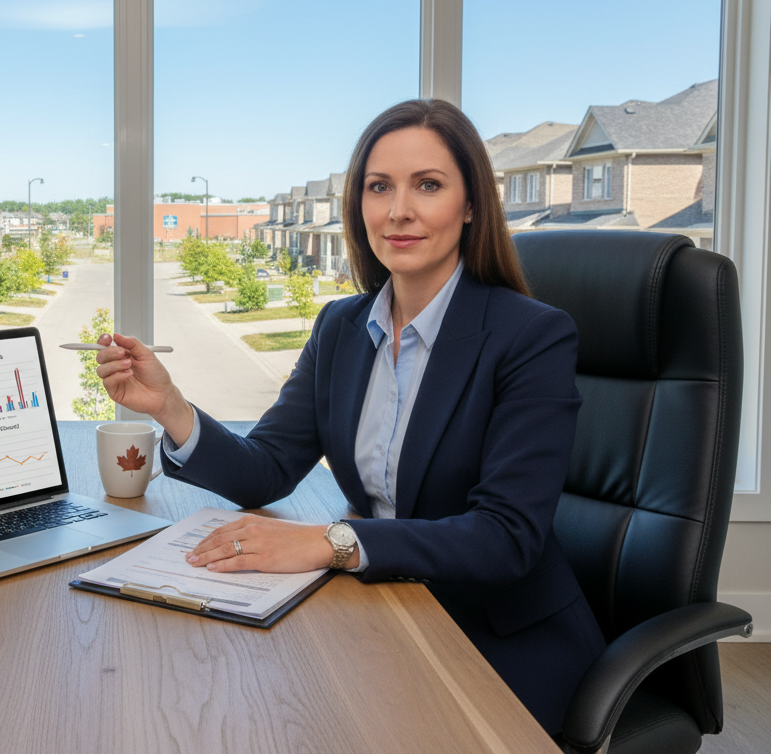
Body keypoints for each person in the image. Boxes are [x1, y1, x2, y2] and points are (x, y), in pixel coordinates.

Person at [94, 99, 605, 736]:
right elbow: (268, 469)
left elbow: (507, 537)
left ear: (471, 204)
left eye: (428, 185)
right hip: (386, 604)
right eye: (379, 187)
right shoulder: (341, 327)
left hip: (498, 637)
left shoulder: (531, 336)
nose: (399, 211)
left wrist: (330, 541)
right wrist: (168, 405)